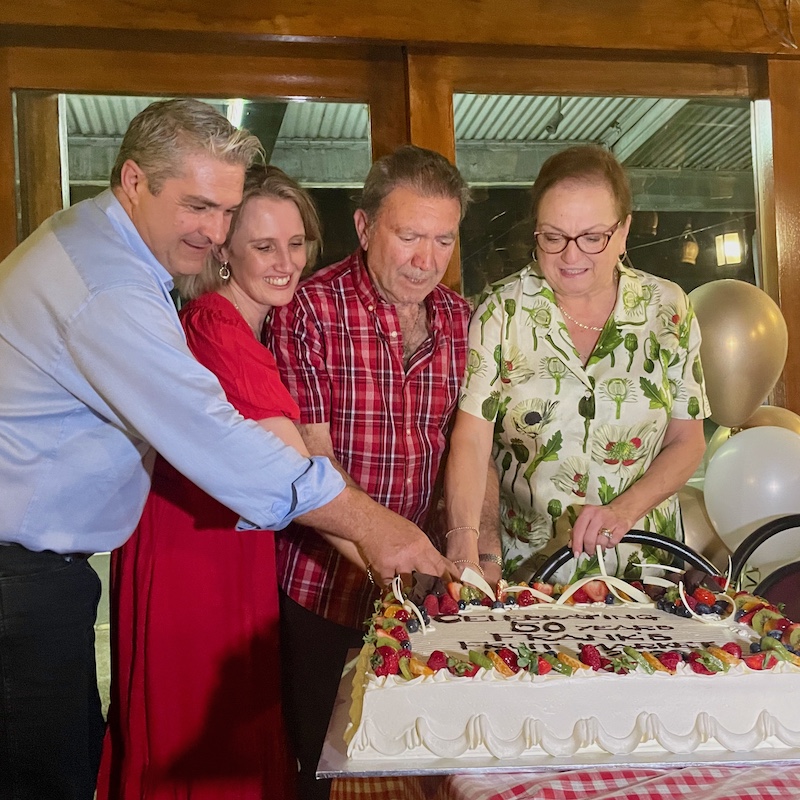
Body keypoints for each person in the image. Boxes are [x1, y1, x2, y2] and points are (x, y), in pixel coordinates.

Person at [0, 100, 452, 800]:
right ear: (133, 181)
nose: (212, 233)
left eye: (224, 211)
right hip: (32, 575)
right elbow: (227, 445)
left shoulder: (111, 251)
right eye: (199, 208)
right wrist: (377, 533)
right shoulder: (114, 288)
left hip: (55, 572)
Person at [270, 144, 500, 800]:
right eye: (409, 237)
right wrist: (389, 555)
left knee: (440, 759)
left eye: (444, 239)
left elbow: (469, 450)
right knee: (316, 765)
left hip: (427, 584)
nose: (428, 261)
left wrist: (473, 548)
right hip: (320, 585)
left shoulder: (462, 322)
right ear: (366, 227)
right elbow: (311, 462)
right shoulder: (308, 310)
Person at [96, 164, 324, 799]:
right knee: (204, 737)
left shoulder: (249, 325)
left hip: (224, 547)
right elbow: (300, 473)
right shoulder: (217, 326)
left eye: (297, 242)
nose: (286, 262)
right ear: (224, 252)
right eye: (264, 246)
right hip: (193, 560)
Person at [445, 144, 711, 583]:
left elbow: (688, 441)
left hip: (644, 567)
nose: (571, 257)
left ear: (623, 232)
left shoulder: (670, 309)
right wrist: (472, 550)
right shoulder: (500, 312)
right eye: (553, 236)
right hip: (529, 571)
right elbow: (474, 442)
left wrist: (622, 511)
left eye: (592, 237)